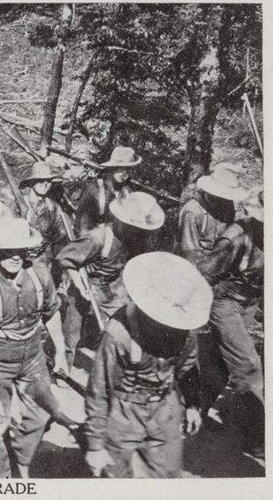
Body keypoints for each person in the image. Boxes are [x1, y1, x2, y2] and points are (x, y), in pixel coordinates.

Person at [0, 217, 76, 478]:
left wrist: (59, 353)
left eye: (19, 251)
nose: (14, 257)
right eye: (8, 251)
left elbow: (52, 313)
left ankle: (24, 463)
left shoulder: (40, 276)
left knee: (41, 415)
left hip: (33, 356)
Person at [84, 252, 211, 478]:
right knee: (117, 478)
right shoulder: (118, 333)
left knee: (167, 476)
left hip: (165, 408)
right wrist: (95, 444)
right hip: (123, 413)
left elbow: (188, 367)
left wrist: (192, 404)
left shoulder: (185, 329)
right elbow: (98, 390)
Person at [56, 192, 164, 369]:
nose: (137, 230)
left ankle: (119, 367)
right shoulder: (99, 236)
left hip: (113, 287)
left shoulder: (138, 238)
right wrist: (81, 286)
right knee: (73, 331)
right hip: (86, 283)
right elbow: (65, 259)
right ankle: (63, 366)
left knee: (123, 326)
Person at [196, 190, 264, 459]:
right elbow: (204, 272)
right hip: (225, 302)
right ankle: (257, 440)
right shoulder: (236, 236)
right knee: (248, 367)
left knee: (220, 365)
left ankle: (192, 410)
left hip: (250, 302)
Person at [177, 163, 247, 266]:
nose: (223, 199)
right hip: (196, 266)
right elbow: (190, 253)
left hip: (218, 262)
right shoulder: (193, 211)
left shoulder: (227, 205)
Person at [18, 161, 72, 272]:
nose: (45, 184)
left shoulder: (53, 208)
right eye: (40, 181)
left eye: (48, 181)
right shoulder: (19, 205)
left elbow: (60, 238)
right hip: (18, 257)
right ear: (32, 183)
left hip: (42, 258)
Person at [75, 146, 140, 235]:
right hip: (94, 240)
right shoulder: (94, 190)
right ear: (112, 167)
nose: (124, 173)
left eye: (128, 169)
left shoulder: (128, 192)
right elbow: (81, 225)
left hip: (117, 242)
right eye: (120, 168)